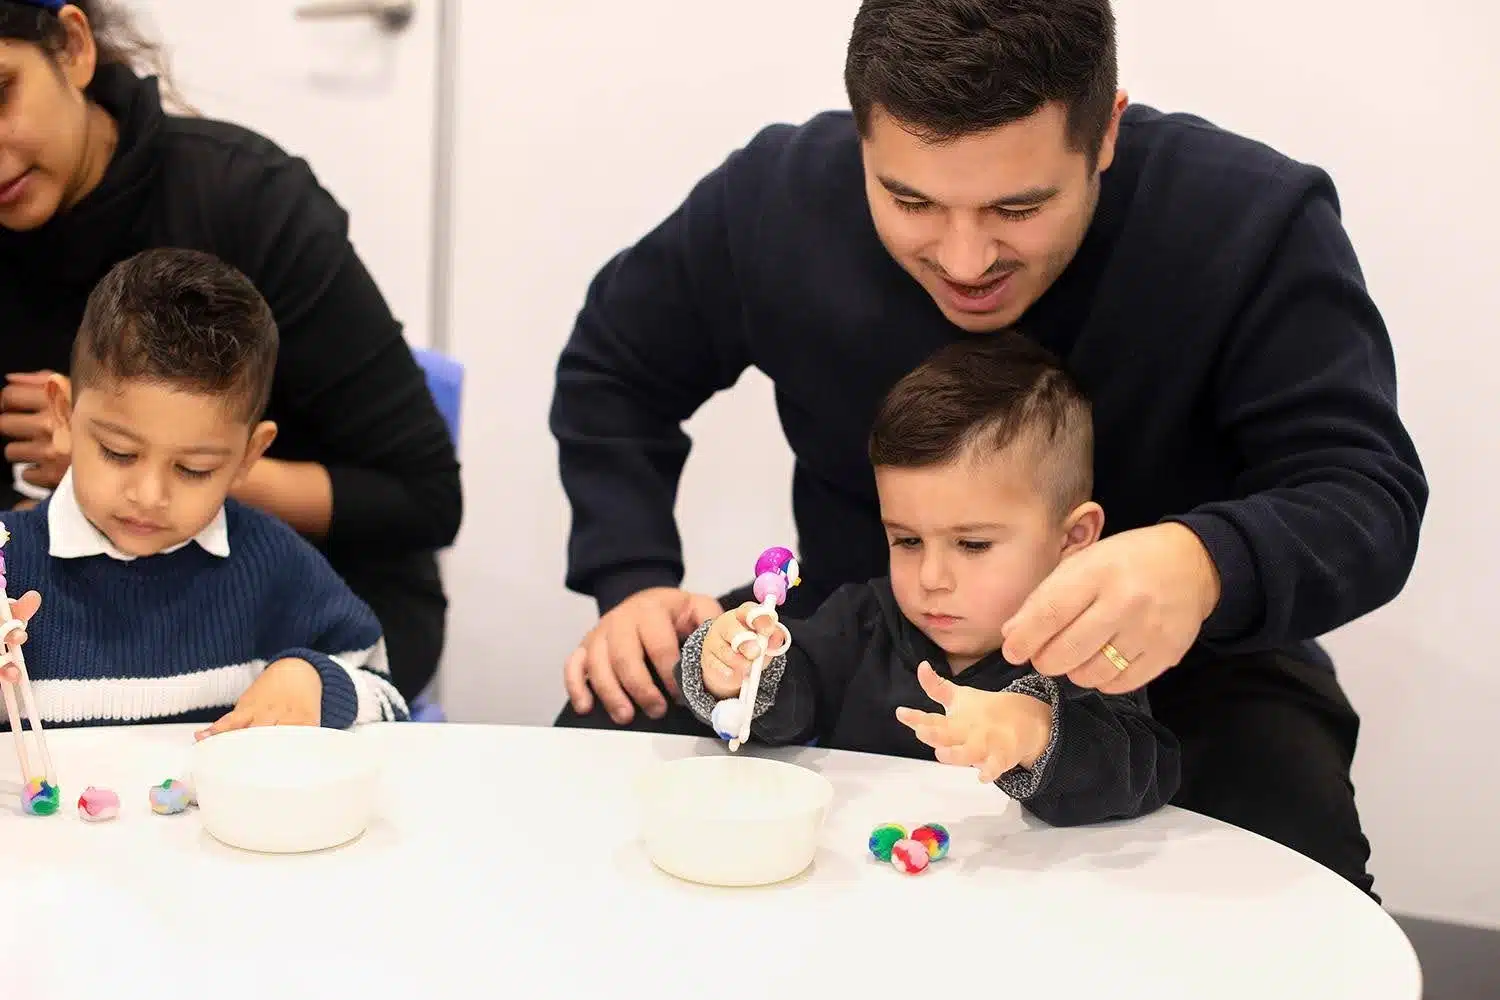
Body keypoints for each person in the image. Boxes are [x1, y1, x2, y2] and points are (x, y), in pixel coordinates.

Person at [551, 0, 1427, 898]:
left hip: (1185, 667)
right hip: (860, 631)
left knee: (1293, 877)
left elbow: (1364, 489)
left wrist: (1206, 561)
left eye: (1019, 205)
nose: (966, 260)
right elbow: (615, 370)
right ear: (860, 141)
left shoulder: (1247, 219)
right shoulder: (775, 197)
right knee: (605, 735)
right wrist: (634, 581)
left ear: (1107, 133)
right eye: (910, 200)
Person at [0, 0, 460, 701]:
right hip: (51, 627)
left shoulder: (249, 200)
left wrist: (139, 462)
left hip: (295, 616)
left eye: (1, 94)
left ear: (72, 47)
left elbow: (422, 498)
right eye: (116, 447)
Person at [679, 335, 1179, 825]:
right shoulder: (863, 622)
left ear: (1072, 538)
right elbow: (788, 703)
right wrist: (738, 671)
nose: (932, 579)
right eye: (908, 541)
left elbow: (1146, 773)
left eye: (973, 545)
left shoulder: (1087, 653)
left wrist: (1038, 734)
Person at [0, 248, 409, 735]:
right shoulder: (9, 559)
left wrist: (315, 683)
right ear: (64, 415)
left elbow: (387, 698)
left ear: (247, 457)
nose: (149, 495)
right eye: (118, 452)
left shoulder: (271, 563)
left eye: (194, 469)